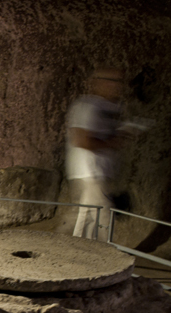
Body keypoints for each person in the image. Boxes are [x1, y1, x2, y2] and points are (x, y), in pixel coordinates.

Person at [66, 67, 128, 240]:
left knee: (90, 219)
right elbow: (81, 140)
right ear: (97, 83)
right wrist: (113, 142)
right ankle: (99, 259)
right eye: (111, 81)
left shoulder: (110, 106)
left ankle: (80, 256)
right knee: (100, 219)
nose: (116, 86)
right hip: (90, 173)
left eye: (119, 82)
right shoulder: (87, 106)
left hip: (98, 173)